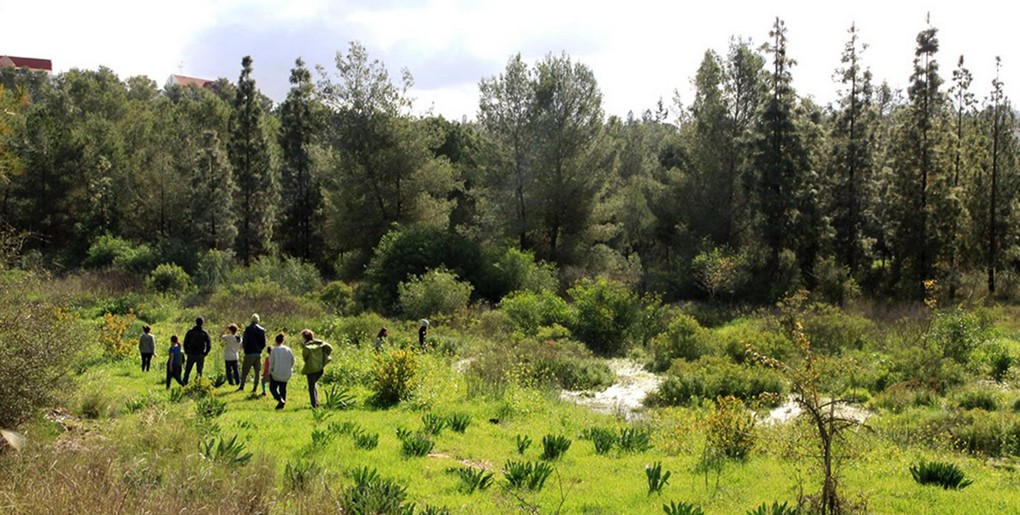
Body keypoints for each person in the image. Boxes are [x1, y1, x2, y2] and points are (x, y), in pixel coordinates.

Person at [300, 329, 333, 408]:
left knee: (311, 387)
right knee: (314, 384)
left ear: (304, 338)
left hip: (311, 369)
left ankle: (314, 404)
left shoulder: (307, 347)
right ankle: (316, 402)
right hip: (320, 368)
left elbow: (305, 357)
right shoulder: (320, 344)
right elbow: (330, 348)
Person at [238, 313, 267, 393]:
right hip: (258, 353)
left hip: (249, 353)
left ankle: (242, 386)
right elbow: (264, 343)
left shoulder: (248, 329)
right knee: (257, 372)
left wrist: (245, 349)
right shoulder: (262, 330)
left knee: (245, 371)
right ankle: (255, 388)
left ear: (251, 320)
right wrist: (259, 349)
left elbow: (245, 341)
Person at [268, 332, 294, 410]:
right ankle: (282, 403)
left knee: (272, 388)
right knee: (283, 389)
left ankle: (280, 399)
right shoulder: (288, 349)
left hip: (276, 372)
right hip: (286, 373)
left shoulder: (274, 350)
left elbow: (271, 361)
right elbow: (292, 360)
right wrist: (289, 368)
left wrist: (271, 371)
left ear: (276, 340)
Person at [182, 317, 211, 384]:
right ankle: (198, 383)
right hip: (200, 354)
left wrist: (186, 351)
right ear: (202, 323)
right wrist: (205, 353)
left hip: (191, 353)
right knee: (199, 371)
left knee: (187, 370)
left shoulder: (190, 332)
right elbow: (209, 344)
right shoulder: (204, 333)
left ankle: (184, 383)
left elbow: (185, 343)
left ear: (196, 322)